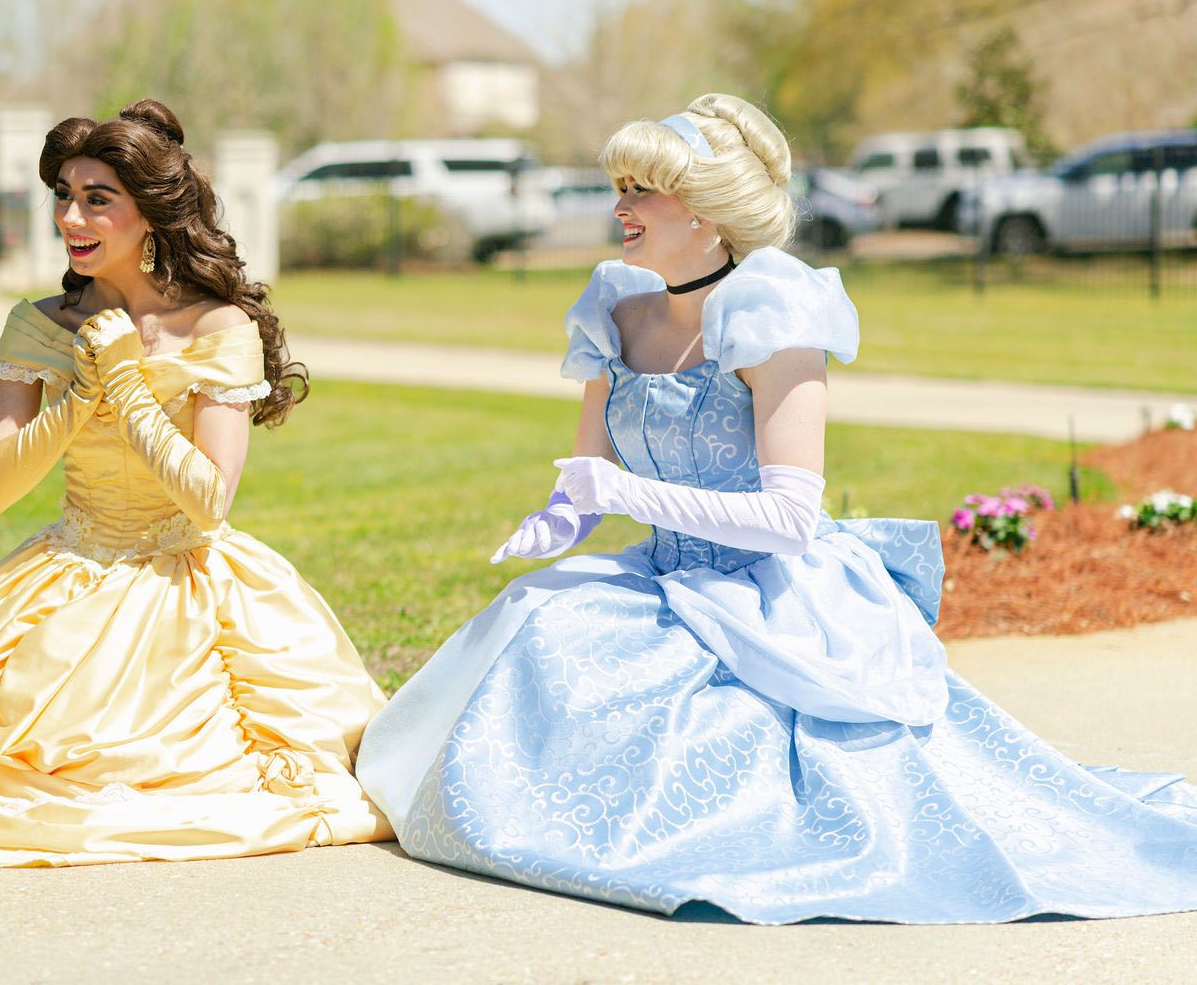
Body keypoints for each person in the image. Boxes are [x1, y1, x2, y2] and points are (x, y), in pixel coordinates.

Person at [354, 92, 1197, 924]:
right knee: (541, 620)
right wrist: (560, 520)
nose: (620, 208)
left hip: (771, 593)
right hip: (665, 575)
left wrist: (624, 494)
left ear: (705, 211)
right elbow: (589, 471)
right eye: (620, 187)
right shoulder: (617, 309)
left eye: (641, 190)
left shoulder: (773, 315)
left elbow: (789, 521)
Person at [0, 100, 390, 865]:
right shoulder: (39, 324)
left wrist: (130, 390)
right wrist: (77, 402)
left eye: (98, 199)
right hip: (67, 568)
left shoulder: (218, 327)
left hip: (185, 580)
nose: (71, 217)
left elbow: (208, 503)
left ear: (152, 213)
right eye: (64, 196)